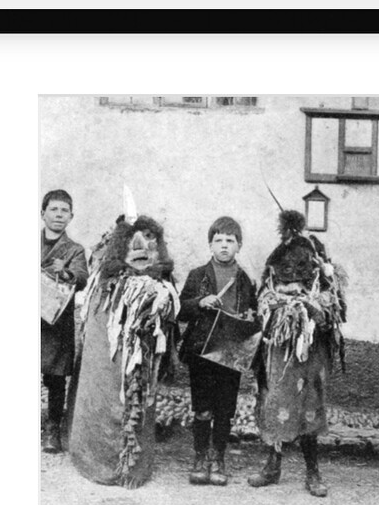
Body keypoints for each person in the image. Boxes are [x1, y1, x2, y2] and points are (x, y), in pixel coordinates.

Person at [68, 210, 179, 489]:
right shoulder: (104, 288)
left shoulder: (163, 288)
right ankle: (101, 461)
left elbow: (167, 328)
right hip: (108, 363)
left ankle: (133, 464)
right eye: (132, 239)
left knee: (140, 397)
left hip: (142, 365)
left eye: (150, 238)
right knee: (104, 396)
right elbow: (94, 329)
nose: (141, 245)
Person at [247, 209, 347, 497]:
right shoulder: (272, 277)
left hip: (309, 355)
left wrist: (313, 310)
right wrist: (276, 307)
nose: (292, 270)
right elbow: (263, 301)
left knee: (309, 406)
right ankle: (272, 466)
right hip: (278, 353)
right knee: (274, 401)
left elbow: (331, 307)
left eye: (298, 265)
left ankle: (312, 471)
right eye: (286, 266)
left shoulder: (320, 279)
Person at [178, 217, 258, 486]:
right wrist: (200, 301)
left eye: (230, 241)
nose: (224, 246)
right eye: (219, 241)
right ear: (210, 245)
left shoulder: (246, 280)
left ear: (239, 246)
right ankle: (200, 457)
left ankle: (218, 458)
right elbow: (180, 309)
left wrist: (248, 316)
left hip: (230, 352)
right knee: (202, 408)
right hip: (201, 350)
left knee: (224, 409)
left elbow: (255, 315)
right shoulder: (197, 275)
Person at [40, 189, 88, 453]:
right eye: (54, 209)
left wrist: (66, 271)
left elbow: (82, 278)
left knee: (56, 377)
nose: (59, 215)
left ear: (71, 216)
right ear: (42, 213)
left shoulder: (75, 249)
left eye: (64, 211)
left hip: (56, 321)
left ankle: (52, 429)